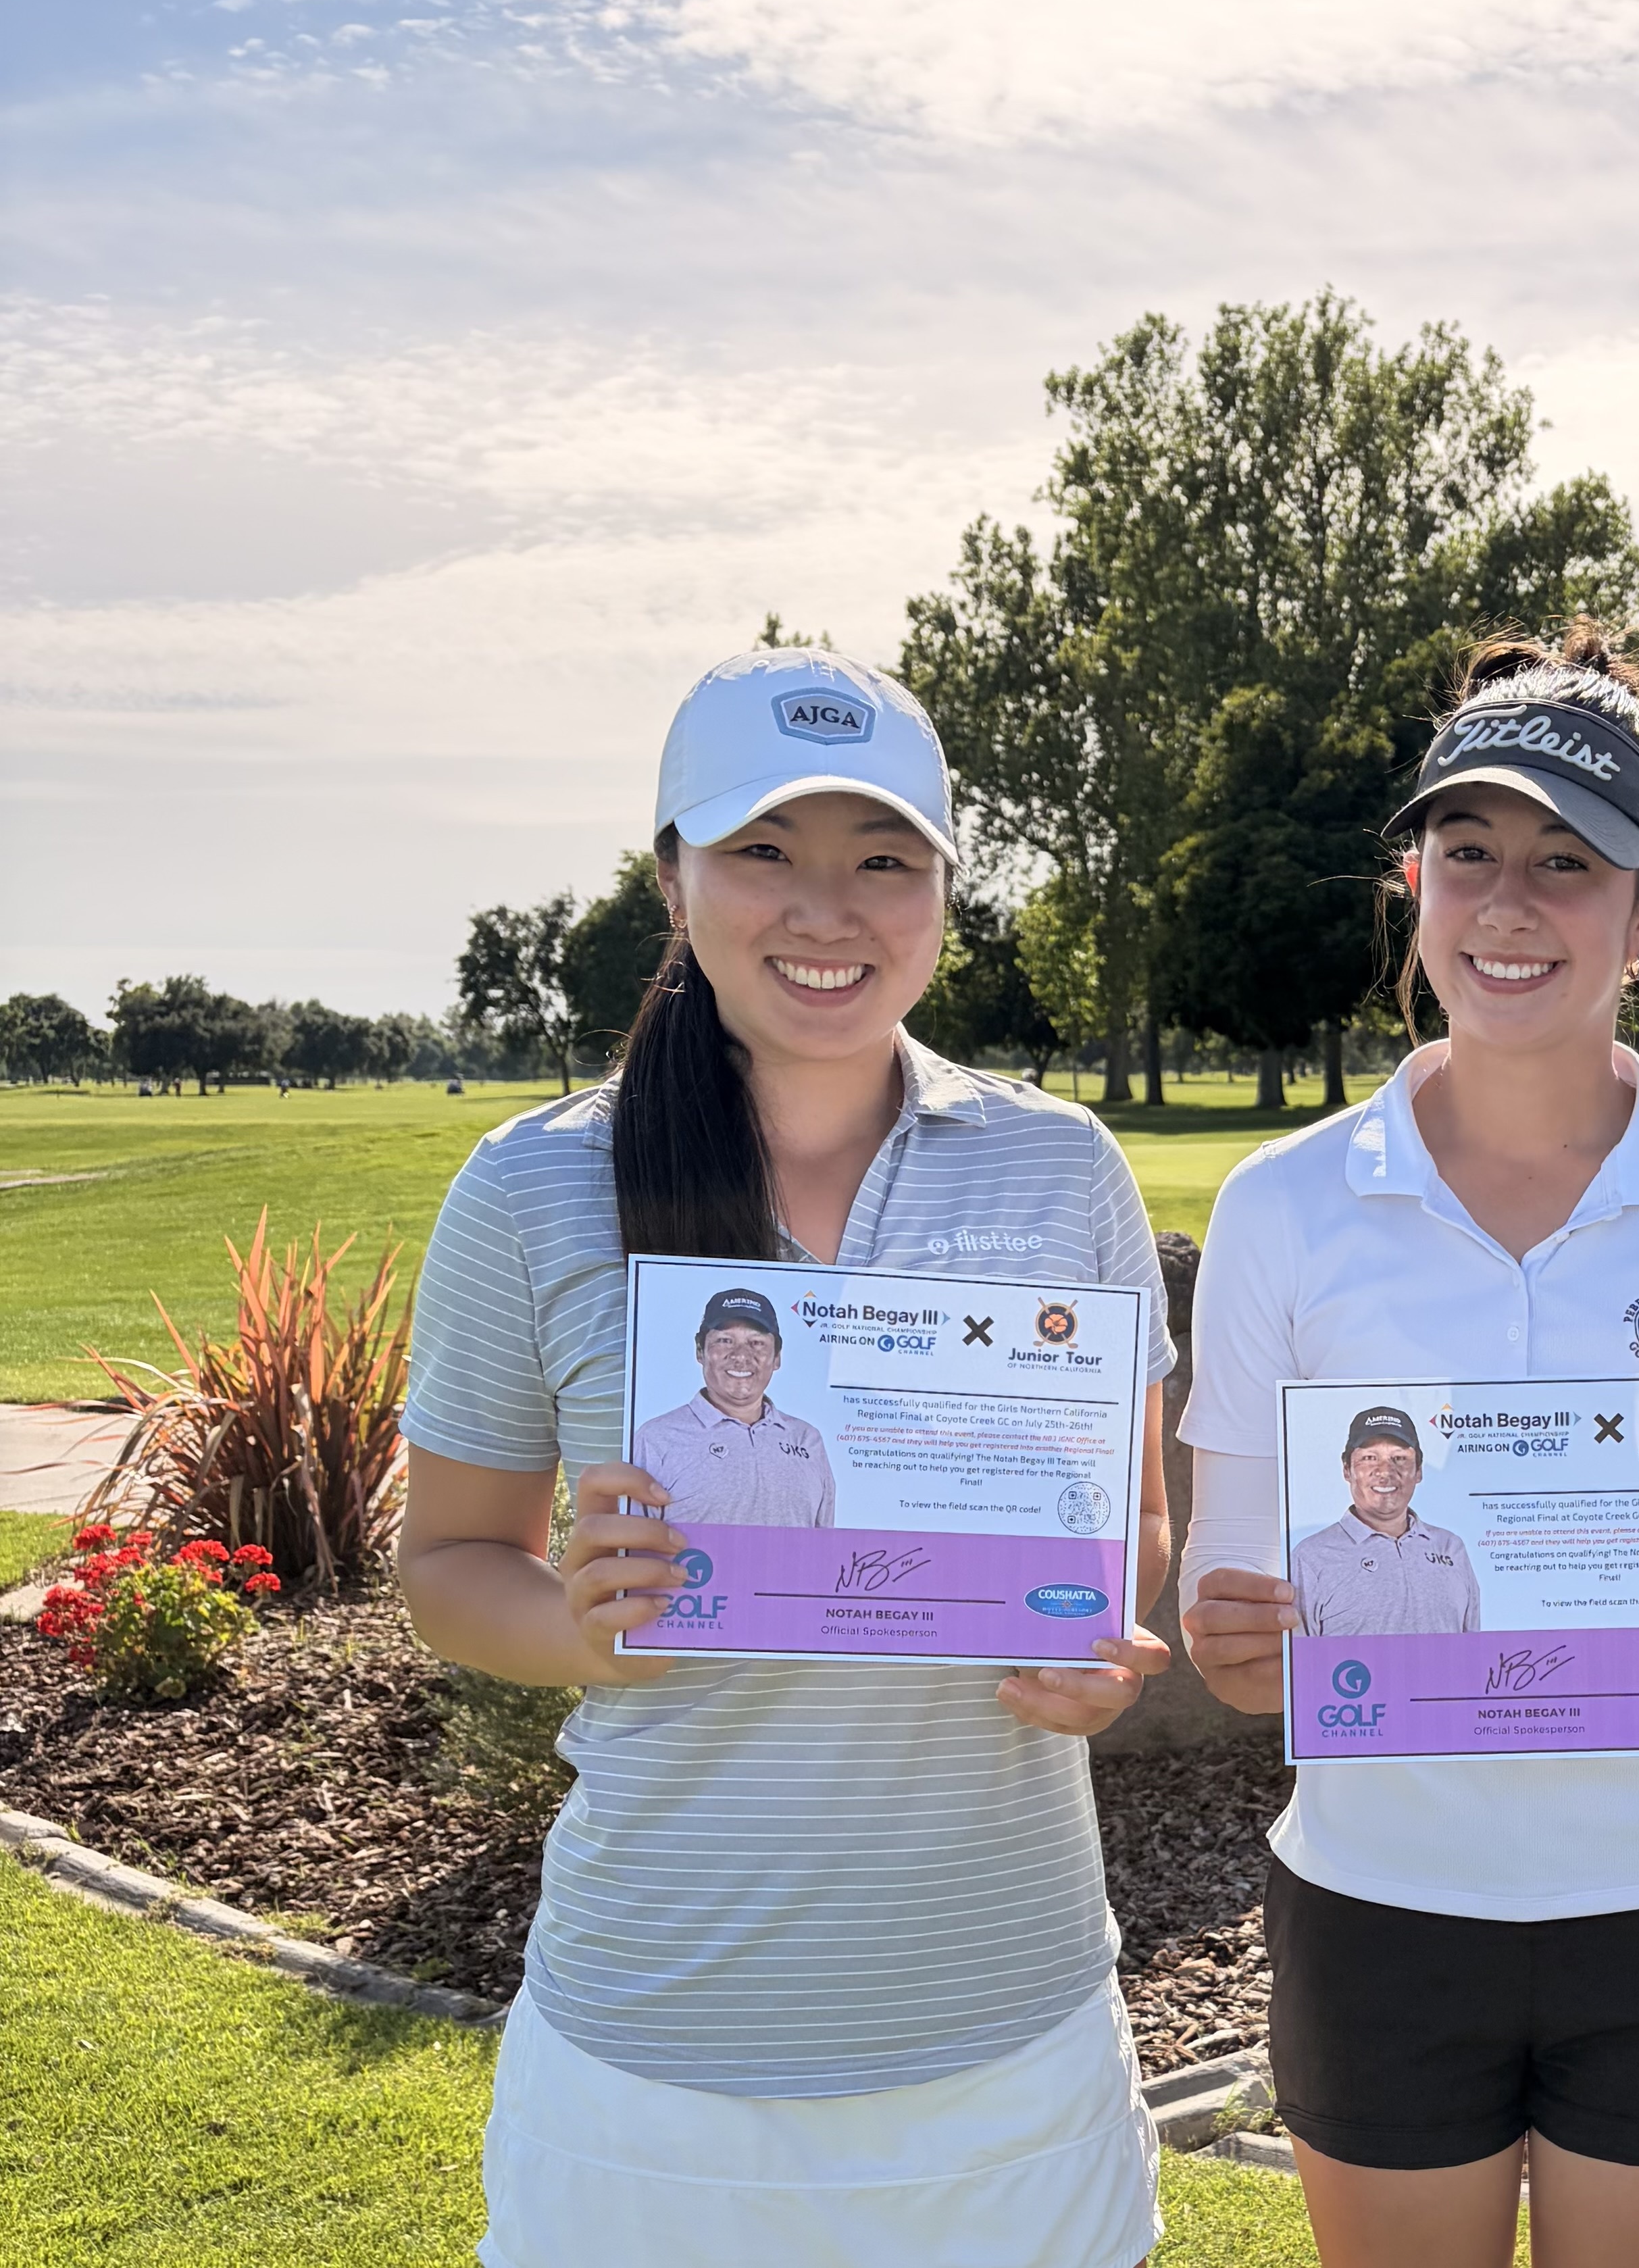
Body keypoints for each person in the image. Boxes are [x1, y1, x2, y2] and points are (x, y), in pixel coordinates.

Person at [391, 646, 1178, 2268]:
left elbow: (1135, 1520)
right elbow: (444, 1562)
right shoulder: (534, 1186)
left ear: (943, 891)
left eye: (881, 860)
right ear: (672, 875)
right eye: (765, 852)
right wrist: (566, 1628)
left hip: (1007, 2033)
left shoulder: (1059, 1168)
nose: (826, 911)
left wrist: (1106, 1642)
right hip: (654, 2058)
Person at [1180, 624, 1639, 2268]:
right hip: (1379, 1904)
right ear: (1407, 880)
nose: (1505, 904)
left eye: (1566, 864)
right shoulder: (1281, 1206)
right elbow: (1234, 1637)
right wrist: (1231, 1638)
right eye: (1467, 851)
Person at [631, 1288, 837, 1529]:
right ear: (700, 1351)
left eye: (757, 1343)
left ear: (777, 1358)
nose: (741, 1356)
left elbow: (825, 1547)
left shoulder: (807, 1440)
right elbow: (636, 1549)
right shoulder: (656, 1438)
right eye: (725, 1341)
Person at [1292, 1405, 1482, 1636]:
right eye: (1369, 1458)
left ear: (1419, 1471)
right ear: (1347, 1470)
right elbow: (1300, 1663)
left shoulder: (1451, 1548)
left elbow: (1473, 1651)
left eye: (1400, 1458)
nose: (1385, 1471)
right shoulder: (1312, 1557)